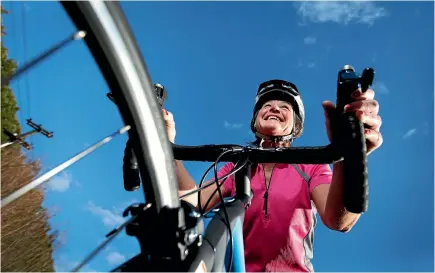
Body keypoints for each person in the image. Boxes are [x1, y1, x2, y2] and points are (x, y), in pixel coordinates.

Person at [162, 79, 383, 272]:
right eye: (266, 105)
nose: (274, 108)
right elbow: (191, 201)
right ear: (255, 121)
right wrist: (166, 141)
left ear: (295, 127)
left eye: (284, 106)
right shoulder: (236, 167)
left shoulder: (311, 168)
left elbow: (339, 220)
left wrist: (350, 153)